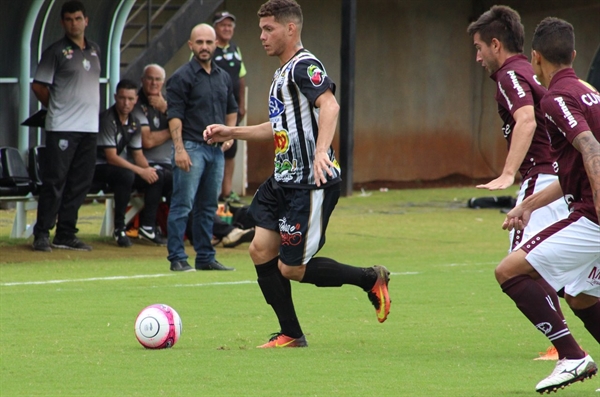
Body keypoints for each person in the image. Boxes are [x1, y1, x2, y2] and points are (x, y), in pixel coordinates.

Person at [204, 0, 391, 348]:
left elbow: (330, 105)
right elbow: (278, 127)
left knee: (291, 268)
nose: (261, 36)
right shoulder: (281, 72)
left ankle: (370, 279)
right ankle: (291, 334)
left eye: (268, 28)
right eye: (261, 29)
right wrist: (231, 133)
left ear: (291, 29)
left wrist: (321, 150)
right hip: (282, 182)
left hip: (310, 184)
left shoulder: (305, 66)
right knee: (260, 250)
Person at [497, 17, 599, 394]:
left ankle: (572, 357)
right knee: (581, 294)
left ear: (535, 58)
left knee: (509, 271)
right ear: (573, 55)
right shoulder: (591, 94)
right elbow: (575, 171)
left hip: (592, 217)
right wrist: (529, 205)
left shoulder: (556, 99)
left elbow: (592, 151)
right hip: (588, 209)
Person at [467, 5, 570, 361]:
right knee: (547, 263)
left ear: (496, 45)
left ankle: (564, 347)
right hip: (559, 177)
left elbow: (525, 120)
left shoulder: (511, 76)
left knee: (517, 266)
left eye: (479, 48)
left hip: (542, 176)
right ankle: (562, 343)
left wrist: (508, 173)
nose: (478, 57)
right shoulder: (528, 70)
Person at [134, 64, 255, 248]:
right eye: (150, 79)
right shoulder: (137, 105)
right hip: (150, 165)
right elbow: (148, 141)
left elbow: (231, 108)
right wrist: (177, 129)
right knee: (185, 201)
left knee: (203, 200)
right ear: (142, 81)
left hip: (170, 163)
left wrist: (170, 114)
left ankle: (209, 242)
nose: (154, 83)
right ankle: (185, 249)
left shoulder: (166, 102)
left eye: (158, 79)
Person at [166, 24, 238, 272]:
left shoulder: (223, 76)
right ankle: (177, 257)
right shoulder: (181, 77)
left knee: (208, 206)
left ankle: (205, 257)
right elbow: (174, 116)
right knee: (182, 205)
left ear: (216, 43)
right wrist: (179, 150)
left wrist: (230, 134)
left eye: (209, 42)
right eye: (199, 42)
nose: (204, 47)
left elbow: (232, 109)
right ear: (191, 45)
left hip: (216, 150)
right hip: (191, 147)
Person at [30, 0, 100, 252]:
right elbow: (38, 86)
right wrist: (58, 106)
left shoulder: (94, 50)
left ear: (86, 21)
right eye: (69, 19)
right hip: (62, 127)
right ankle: (42, 234)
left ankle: (66, 233)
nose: (74, 23)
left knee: (80, 183)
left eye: (78, 18)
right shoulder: (55, 51)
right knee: (55, 181)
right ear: (62, 23)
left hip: (90, 128)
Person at [93, 79, 166, 247]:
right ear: (115, 97)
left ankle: (148, 226)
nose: (126, 103)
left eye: (131, 99)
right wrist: (140, 171)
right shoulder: (107, 119)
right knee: (126, 176)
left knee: (157, 176)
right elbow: (111, 157)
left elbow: (137, 154)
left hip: (119, 167)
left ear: (136, 100)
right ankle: (119, 228)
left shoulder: (134, 122)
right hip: (98, 167)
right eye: (122, 98)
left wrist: (148, 170)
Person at [212, 11, 248, 204]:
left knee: (231, 149)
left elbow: (241, 78)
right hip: (213, 108)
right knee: (214, 147)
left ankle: (227, 192)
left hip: (232, 109)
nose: (227, 29)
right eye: (222, 25)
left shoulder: (235, 48)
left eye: (230, 26)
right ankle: (213, 192)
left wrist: (242, 104)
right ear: (215, 28)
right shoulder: (208, 48)